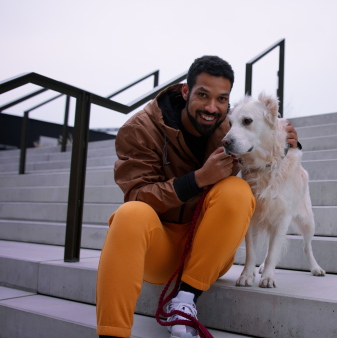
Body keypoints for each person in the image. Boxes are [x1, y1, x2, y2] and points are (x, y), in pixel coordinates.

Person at [96, 55, 300, 338]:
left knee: (237, 191)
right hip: (160, 250)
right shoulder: (139, 129)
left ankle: (185, 300)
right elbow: (137, 194)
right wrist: (197, 180)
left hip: (210, 253)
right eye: (203, 95)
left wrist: (288, 136)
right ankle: (112, 334)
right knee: (130, 213)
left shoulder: (227, 129)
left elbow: (265, 145)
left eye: (222, 99)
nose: (212, 108)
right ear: (185, 91)